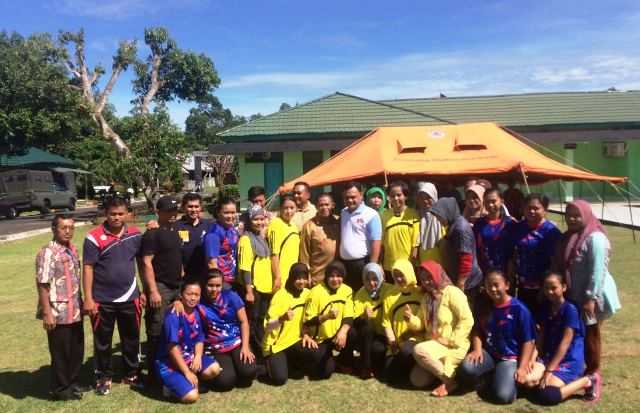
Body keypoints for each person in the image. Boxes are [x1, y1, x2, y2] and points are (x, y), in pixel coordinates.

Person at [83, 197, 143, 395]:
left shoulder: (136, 234)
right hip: (102, 300)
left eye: (120, 214)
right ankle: (104, 376)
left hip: (130, 297)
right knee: (103, 341)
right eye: (112, 214)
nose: (116, 218)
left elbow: (142, 264)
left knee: (131, 338)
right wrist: (89, 299)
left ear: (128, 214)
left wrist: (143, 291)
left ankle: (131, 374)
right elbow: (88, 268)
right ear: (105, 214)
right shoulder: (93, 237)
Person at [557, 200, 620, 380]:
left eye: (577, 215)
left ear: (586, 215)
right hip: (575, 295)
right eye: (569, 215)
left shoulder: (595, 238)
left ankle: (593, 372)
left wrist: (591, 298)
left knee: (591, 334)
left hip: (592, 297)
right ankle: (580, 368)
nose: (572, 219)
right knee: (579, 333)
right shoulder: (569, 237)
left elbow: (598, 270)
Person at [458, 270, 536, 404]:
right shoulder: (485, 306)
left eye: (496, 285)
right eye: (489, 285)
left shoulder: (519, 309)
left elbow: (529, 341)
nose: (493, 289)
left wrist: (522, 367)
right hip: (490, 354)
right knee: (467, 368)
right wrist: (477, 349)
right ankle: (492, 376)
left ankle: (506, 382)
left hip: (509, 358)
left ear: (506, 285)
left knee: (503, 396)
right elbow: (477, 330)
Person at [522, 272, 597, 405]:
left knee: (546, 395)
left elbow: (565, 343)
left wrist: (549, 370)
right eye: (546, 288)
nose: (549, 292)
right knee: (527, 381)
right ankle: (548, 380)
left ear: (563, 287)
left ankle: (587, 381)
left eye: (554, 288)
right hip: (548, 356)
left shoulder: (571, 309)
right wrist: (532, 359)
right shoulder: (546, 307)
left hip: (568, 359)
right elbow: (541, 336)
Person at [175, 269, 257, 391]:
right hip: (216, 348)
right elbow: (186, 298)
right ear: (204, 284)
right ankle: (227, 373)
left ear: (222, 284)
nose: (214, 289)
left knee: (249, 372)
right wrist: (177, 302)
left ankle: (238, 369)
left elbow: (244, 322)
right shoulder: (199, 300)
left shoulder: (231, 296)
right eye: (210, 285)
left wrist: (245, 346)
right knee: (226, 382)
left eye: (218, 285)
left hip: (236, 343)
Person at [36, 214, 85, 400]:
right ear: (54, 229)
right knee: (60, 352)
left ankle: (72, 383)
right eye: (63, 227)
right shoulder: (47, 252)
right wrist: (47, 313)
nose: (68, 231)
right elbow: (42, 284)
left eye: (71, 227)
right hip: (58, 312)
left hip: (75, 310)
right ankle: (60, 389)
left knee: (76, 350)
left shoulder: (72, 249)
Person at [410, 260, 474, 397]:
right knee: (417, 381)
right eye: (423, 279)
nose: (427, 282)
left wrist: (451, 340)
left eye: (429, 277)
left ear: (437, 275)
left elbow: (467, 319)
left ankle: (449, 381)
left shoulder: (452, 292)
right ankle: (443, 371)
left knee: (419, 350)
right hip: (435, 344)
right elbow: (420, 323)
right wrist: (410, 319)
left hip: (453, 345)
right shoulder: (427, 298)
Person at [141, 196, 185, 382]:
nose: (173, 214)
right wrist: (152, 291)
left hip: (177, 286)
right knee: (156, 329)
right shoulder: (152, 234)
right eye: (168, 211)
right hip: (161, 286)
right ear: (158, 212)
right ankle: (153, 373)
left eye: (175, 211)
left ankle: (171, 365)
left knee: (175, 327)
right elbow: (146, 262)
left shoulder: (175, 229)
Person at [156, 281, 221, 403]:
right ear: (181, 295)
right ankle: (169, 389)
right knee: (192, 397)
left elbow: (200, 338)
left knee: (214, 369)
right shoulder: (173, 315)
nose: (193, 298)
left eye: (197, 294)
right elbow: (172, 348)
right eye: (189, 294)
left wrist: (197, 356)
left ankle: (189, 382)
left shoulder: (197, 311)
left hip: (189, 357)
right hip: (170, 363)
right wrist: (187, 372)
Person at [510, 193, 562, 314]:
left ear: (545, 210)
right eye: (528, 208)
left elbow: (555, 262)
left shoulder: (551, 232)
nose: (532, 211)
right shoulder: (519, 227)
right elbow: (514, 252)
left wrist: (546, 286)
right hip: (523, 286)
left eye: (536, 208)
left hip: (545, 288)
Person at [302, 261, 354, 379]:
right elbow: (307, 321)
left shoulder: (347, 290)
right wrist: (326, 317)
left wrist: (343, 332)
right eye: (332, 276)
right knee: (325, 373)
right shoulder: (316, 292)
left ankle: (343, 361)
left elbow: (349, 316)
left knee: (352, 333)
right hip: (319, 339)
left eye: (339, 276)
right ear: (326, 276)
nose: (335, 279)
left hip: (336, 335)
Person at [262, 263, 311, 385]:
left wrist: (306, 334)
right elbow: (267, 327)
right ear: (292, 278)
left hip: (294, 341)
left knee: (312, 356)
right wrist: (282, 318)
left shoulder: (307, 294)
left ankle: (289, 364)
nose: (301, 281)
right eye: (298, 278)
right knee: (280, 379)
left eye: (304, 278)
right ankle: (264, 365)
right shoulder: (280, 296)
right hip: (275, 346)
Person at [429, 197, 483, 305]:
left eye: (439, 216)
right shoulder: (454, 225)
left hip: (468, 283)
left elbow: (466, 258)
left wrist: (461, 284)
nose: (439, 220)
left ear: (447, 212)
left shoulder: (460, 229)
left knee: (465, 314)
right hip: (459, 278)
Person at [381, 259, 425, 385]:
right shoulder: (390, 295)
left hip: (416, 339)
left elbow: (426, 321)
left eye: (402, 275)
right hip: (396, 342)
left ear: (409, 273)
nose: (399, 279)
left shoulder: (420, 293)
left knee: (406, 352)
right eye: (396, 276)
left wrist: (411, 332)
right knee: (388, 376)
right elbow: (386, 322)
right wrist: (392, 341)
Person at [237, 205, 273, 357]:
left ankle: (260, 352)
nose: (259, 222)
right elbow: (245, 268)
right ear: (249, 220)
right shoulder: (246, 239)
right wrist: (249, 291)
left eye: (262, 218)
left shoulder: (261, 237)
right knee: (253, 321)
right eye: (255, 219)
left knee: (261, 319)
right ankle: (254, 352)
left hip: (265, 287)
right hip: (254, 288)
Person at [349, 262, 393, 379]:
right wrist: (363, 316)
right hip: (367, 335)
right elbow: (355, 320)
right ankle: (365, 368)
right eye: (367, 279)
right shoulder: (361, 293)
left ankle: (370, 363)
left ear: (380, 277)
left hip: (385, 335)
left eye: (375, 279)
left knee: (378, 350)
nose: (371, 283)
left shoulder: (389, 289)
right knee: (366, 325)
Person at [339, 181, 382, 291]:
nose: (349, 200)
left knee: (362, 295)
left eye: (353, 197)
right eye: (347, 197)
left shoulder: (371, 214)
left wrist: (372, 266)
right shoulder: (343, 212)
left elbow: (376, 241)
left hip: (362, 264)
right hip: (345, 265)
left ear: (361, 195)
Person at [381, 180, 420, 281]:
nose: (396, 198)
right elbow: (381, 244)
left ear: (405, 196)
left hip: (408, 267)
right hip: (389, 267)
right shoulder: (384, 216)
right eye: (392, 196)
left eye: (399, 195)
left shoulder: (413, 214)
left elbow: (416, 243)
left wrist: (412, 264)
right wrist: (379, 264)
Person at [299, 193, 340, 286]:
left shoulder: (339, 222)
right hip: (317, 277)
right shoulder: (309, 226)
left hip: (336, 277)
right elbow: (304, 254)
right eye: (321, 205)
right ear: (316, 206)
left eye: (327, 204)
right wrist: (306, 274)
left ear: (332, 205)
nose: (324, 207)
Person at [473, 189, 517, 274]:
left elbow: (514, 250)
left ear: (501, 201)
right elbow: (476, 248)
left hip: (506, 269)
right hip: (484, 270)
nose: (490, 205)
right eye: (487, 202)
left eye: (493, 201)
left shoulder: (510, 223)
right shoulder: (479, 224)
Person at [175, 193, 213, 280]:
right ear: (183, 207)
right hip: (185, 275)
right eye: (190, 206)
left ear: (200, 208)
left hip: (206, 274)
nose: (193, 209)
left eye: (196, 206)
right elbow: (174, 251)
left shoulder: (209, 224)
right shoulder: (176, 226)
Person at [267, 194, 300, 293]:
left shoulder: (294, 226)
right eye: (285, 208)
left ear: (296, 209)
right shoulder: (275, 224)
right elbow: (274, 253)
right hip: (281, 276)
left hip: (292, 275)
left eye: (292, 208)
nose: (289, 211)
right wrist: (277, 277)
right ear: (280, 209)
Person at [204, 197, 239, 288]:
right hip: (223, 282)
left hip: (235, 278)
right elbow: (212, 264)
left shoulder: (231, 229)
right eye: (226, 213)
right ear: (218, 213)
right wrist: (219, 285)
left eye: (233, 212)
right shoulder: (213, 235)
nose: (230, 216)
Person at [416, 182, 445, 264]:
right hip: (423, 261)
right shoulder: (417, 216)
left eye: (428, 197)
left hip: (439, 261)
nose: (425, 201)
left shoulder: (442, 216)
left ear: (434, 197)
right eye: (422, 198)